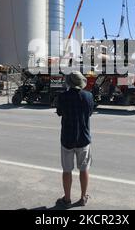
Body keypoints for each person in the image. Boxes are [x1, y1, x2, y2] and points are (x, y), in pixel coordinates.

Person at [56, 71, 95, 209]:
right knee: (84, 169)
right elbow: (89, 113)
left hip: (67, 138)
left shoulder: (62, 97)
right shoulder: (88, 96)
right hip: (83, 138)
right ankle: (83, 197)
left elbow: (59, 112)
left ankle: (67, 199)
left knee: (67, 170)